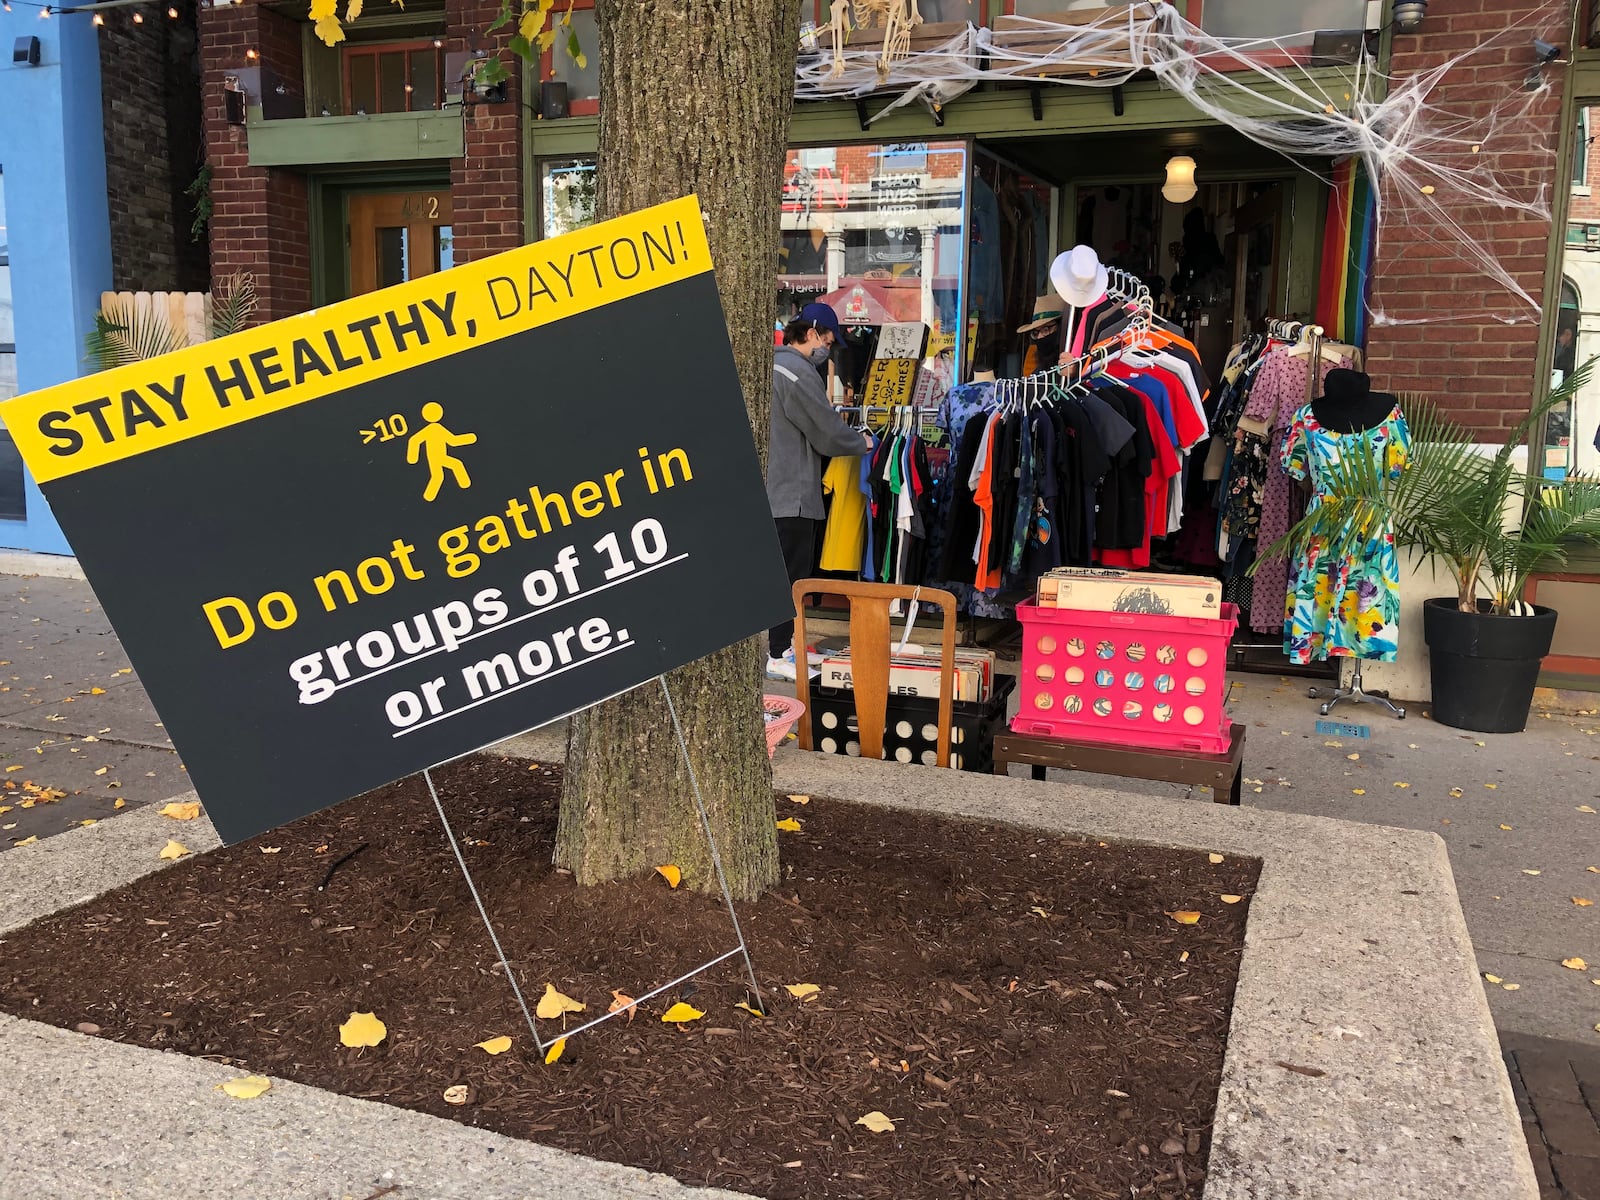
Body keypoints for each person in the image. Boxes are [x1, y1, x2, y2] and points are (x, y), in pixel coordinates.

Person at [766, 302, 872, 682]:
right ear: (811, 333)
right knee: (793, 579)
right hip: (792, 492)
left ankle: (778, 649)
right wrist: (861, 442)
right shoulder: (797, 372)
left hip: (769, 489)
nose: (829, 348)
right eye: (828, 339)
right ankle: (779, 652)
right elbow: (826, 431)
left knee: (774, 577)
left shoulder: (768, 365)